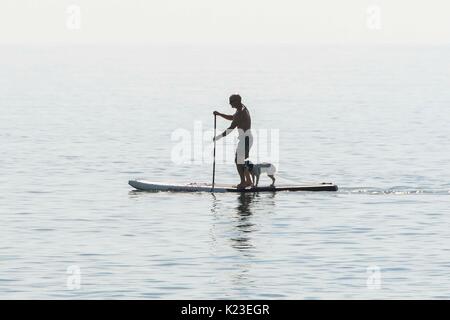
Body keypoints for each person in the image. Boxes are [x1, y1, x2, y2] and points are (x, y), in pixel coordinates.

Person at [213, 94, 253, 189]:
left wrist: (218, 137)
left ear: (238, 101)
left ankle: (243, 182)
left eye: (231, 102)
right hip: (246, 139)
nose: (230, 104)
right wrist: (219, 114)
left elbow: (231, 128)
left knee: (238, 160)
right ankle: (248, 181)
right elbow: (232, 117)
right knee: (240, 160)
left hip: (246, 139)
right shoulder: (242, 108)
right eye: (230, 101)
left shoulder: (240, 113)